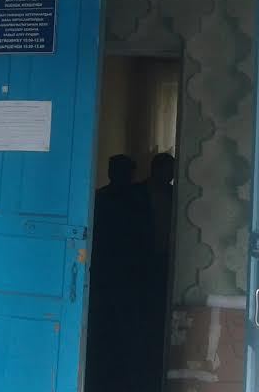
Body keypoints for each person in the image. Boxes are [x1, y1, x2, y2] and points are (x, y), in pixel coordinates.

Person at [86, 155, 153, 392]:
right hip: (115, 270)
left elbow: (145, 235)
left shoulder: (126, 199)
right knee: (113, 324)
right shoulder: (115, 198)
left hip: (121, 270)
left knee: (117, 325)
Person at [140, 152, 176, 390]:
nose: (170, 175)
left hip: (164, 255)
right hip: (141, 256)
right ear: (156, 170)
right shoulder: (138, 194)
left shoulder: (174, 194)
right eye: (168, 170)